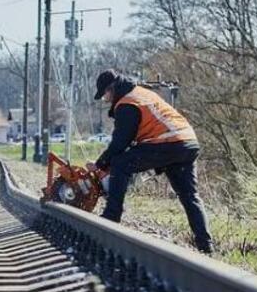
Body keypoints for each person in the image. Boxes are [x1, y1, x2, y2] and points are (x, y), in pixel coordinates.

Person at [89, 70, 213, 253]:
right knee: (190, 196)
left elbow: (120, 143)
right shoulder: (142, 93)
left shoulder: (127, 103)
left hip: (168, 142)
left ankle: (111, 218)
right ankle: (206, 246)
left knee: (120, 163)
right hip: (187, 142)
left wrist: (100, 164)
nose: (105, 100)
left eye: (104, 95)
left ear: (111, 89)